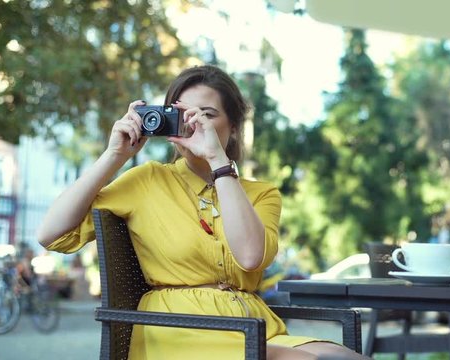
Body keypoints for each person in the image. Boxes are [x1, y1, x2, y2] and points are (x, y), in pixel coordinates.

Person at [37, 65, 369, 360]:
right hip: (179, 328)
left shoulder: (261, 193)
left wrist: (218, 163)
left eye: (207, 115)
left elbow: (251, 257)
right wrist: (114, 155)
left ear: (234, 127)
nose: (195, 124)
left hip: (254, 326)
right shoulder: (147, 180)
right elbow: (51, 235)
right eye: (185, 115)